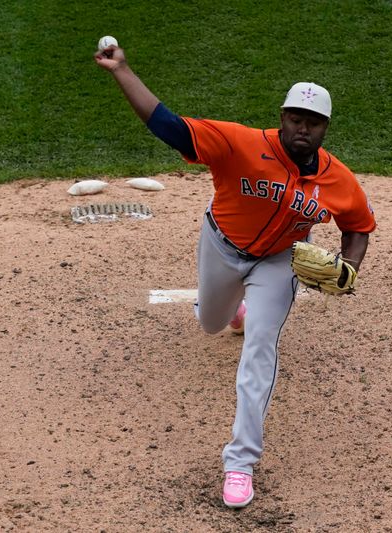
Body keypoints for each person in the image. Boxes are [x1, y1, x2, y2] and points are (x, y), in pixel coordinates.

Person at [94, 44, 376, 508]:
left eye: (313, 121)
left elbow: (359, 226)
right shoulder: (239, 143)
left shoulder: (339, 180)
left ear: (325, 128)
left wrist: (349, 267)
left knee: (260, 352)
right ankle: (231, 310)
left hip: (279, 262)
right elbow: (167, 125)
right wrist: (122, 70)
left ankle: (240, 462)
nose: (302, 128)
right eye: (295, 118)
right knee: (210, 321)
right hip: (221, 245)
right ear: (282, 117)